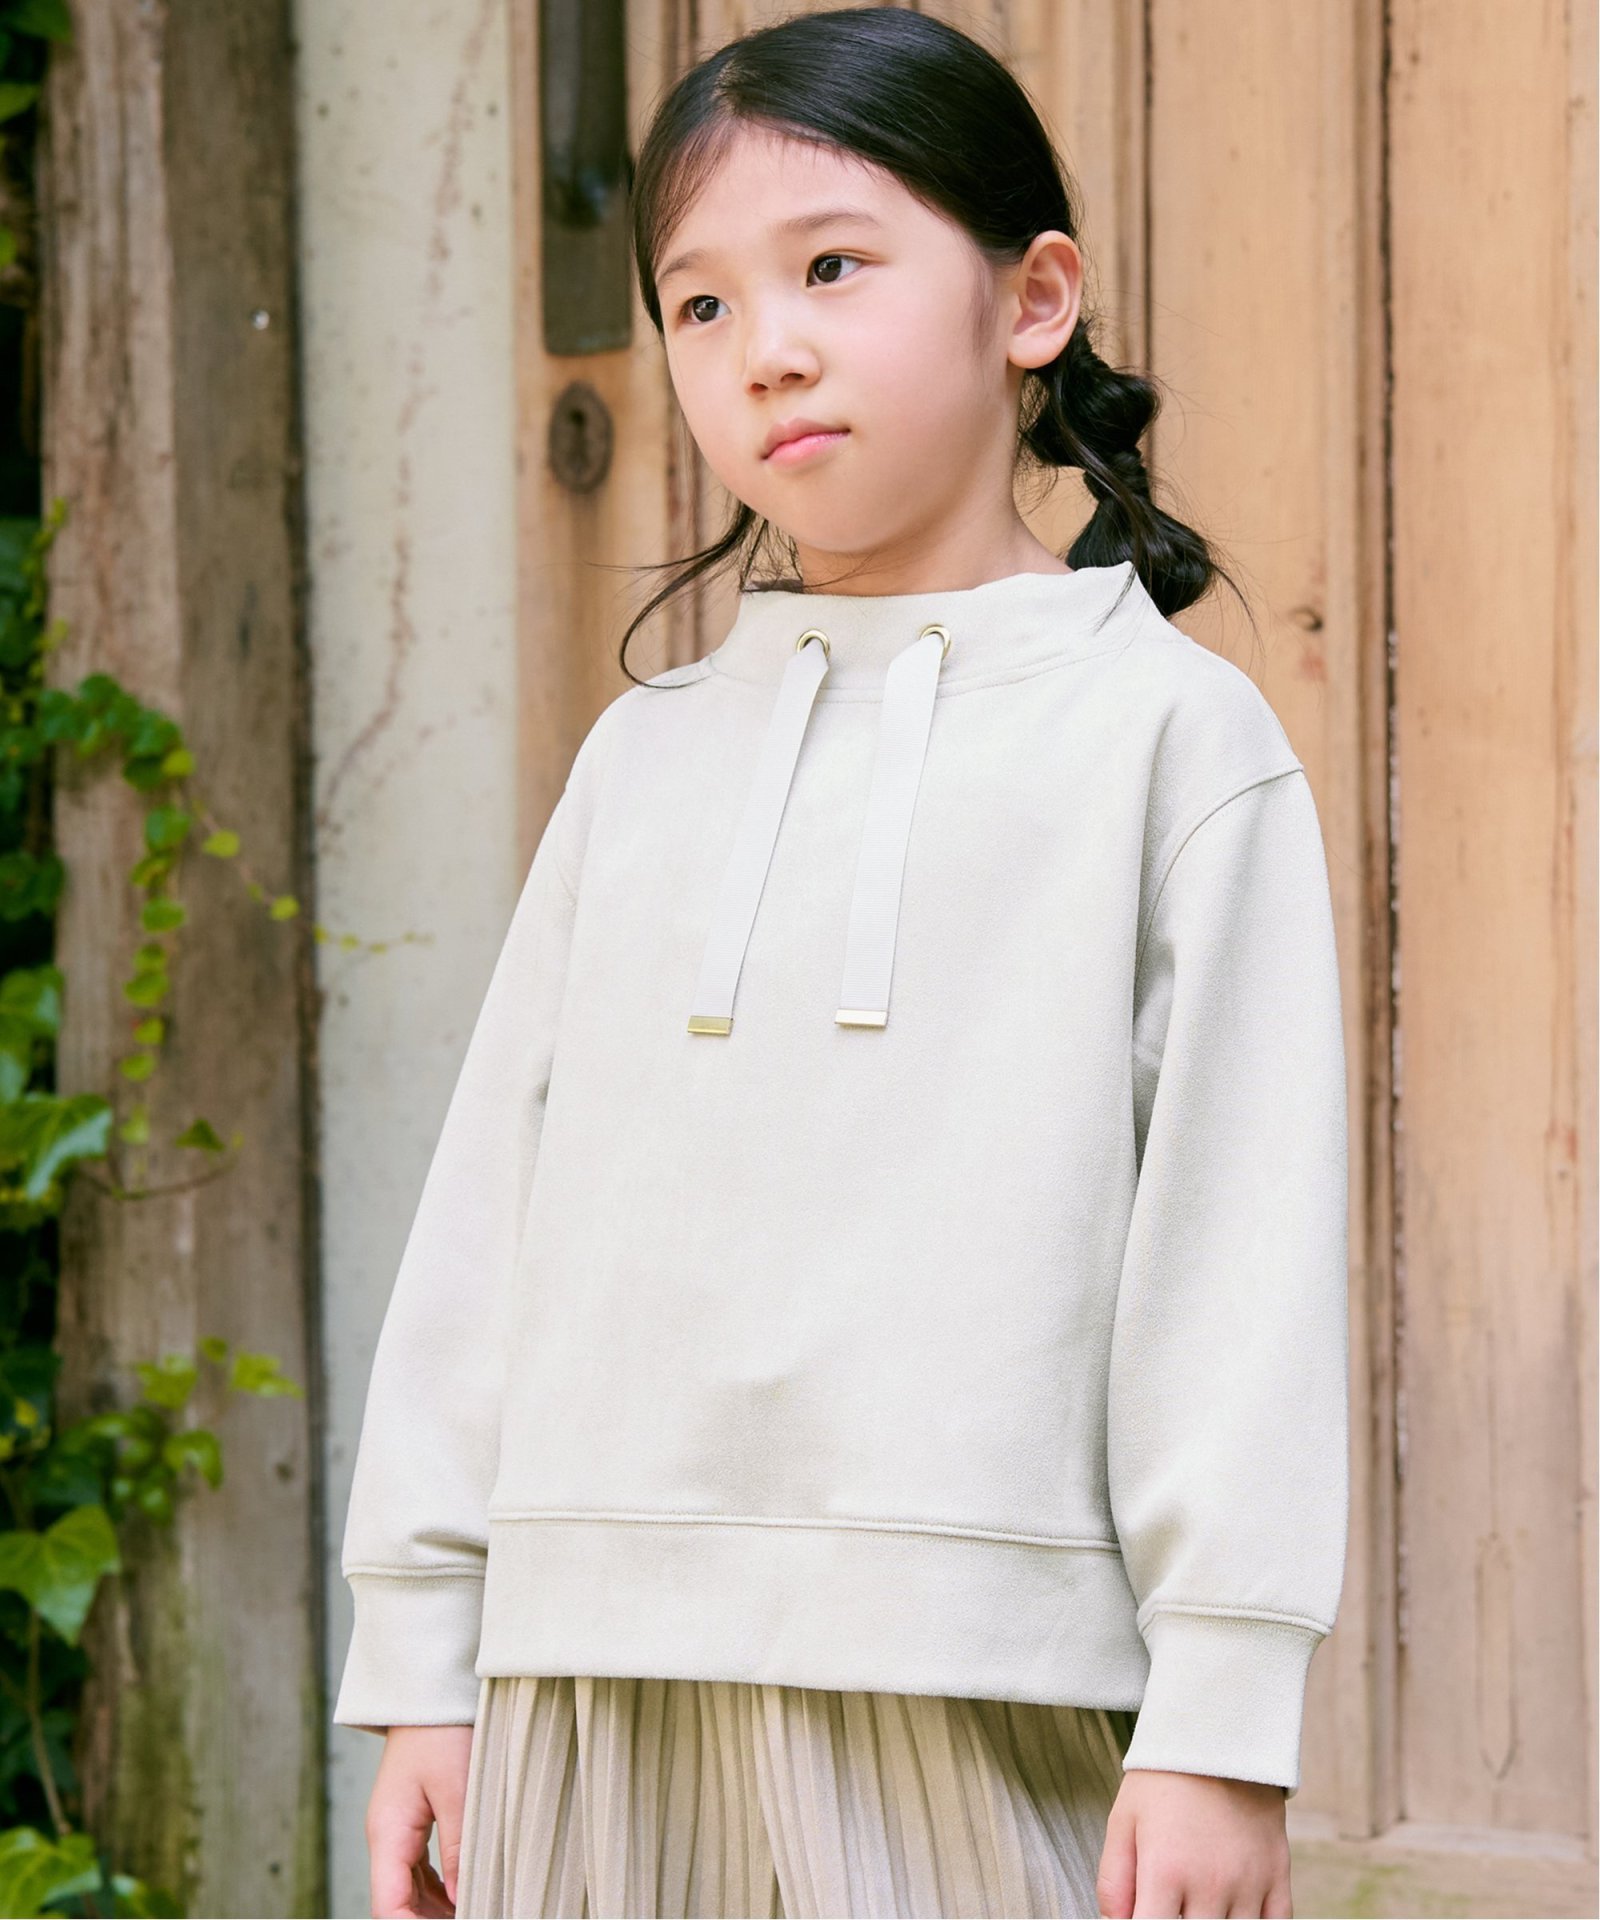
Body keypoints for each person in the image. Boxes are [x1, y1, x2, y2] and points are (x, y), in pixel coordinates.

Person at [333, 9, 1351, 1918]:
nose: (766, 348)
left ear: (1031, 300)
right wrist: (422, 1661)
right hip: (595, 1679)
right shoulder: (642, 761)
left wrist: (1222, 1713)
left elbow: (1239, 1248)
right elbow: (490, 1221)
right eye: (700, 304)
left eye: (831, 267)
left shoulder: (1167, 742)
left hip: (977, 1678)